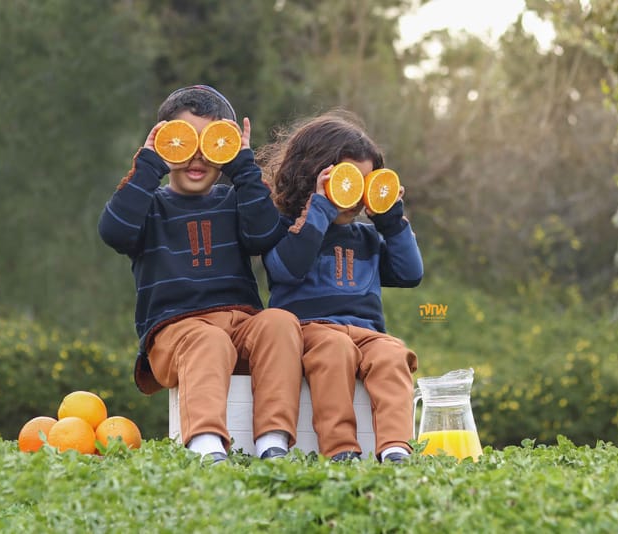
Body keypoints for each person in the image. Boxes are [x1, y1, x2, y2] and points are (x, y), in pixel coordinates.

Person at [98, 85, 303, 463]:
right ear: (164, 141)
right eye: (183, 139)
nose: (196, 154)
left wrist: (243, 166)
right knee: (208, 341)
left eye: (210, 140)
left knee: (280, 321)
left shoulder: (234, 200)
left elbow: (264, 235)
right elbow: (114, 230)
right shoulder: (149, 206)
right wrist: (148, 164)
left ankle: (273, 439)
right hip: (176, 333)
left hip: (240, 326)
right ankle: (206, 444)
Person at [258, 110, 423, 463]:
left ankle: (395, 447)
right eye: (345, 181)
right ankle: (340, 449)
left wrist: (391, 222)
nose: (353, 195)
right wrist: (319, 208)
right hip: (312, 332)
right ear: (311, 178)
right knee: (335, 350)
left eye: (365, 184)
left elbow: (410, 274)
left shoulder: (367, 236)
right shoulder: (289, 229)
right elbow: (287, 268)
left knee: (393, 354)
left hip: (367, 334)